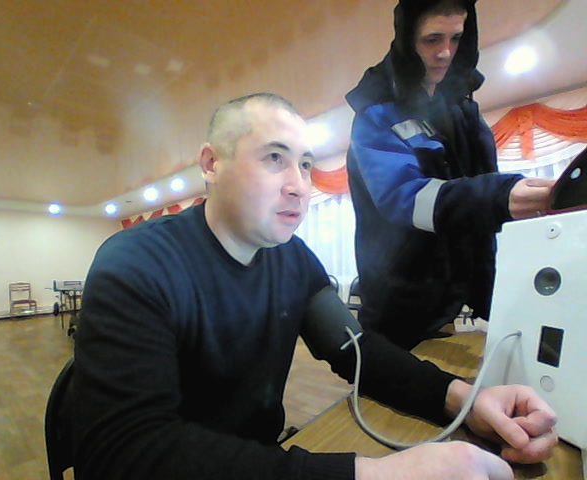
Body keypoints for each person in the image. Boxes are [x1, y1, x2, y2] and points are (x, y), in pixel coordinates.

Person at [72, 93, 557, 480]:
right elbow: (125, 453)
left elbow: (357, 351)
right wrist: (376, 474)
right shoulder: (136, 263)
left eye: (305, 164)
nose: (300, 185)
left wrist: (465, 401)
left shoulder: (291, 258)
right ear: (212, 163)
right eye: (274, 158)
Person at [345, 0, 556, 350]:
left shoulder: (462, 111)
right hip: (402, 302)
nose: (445, 52)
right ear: (407, 41)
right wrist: (500, 196)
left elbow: (480, 191)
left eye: (456, 38)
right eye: (432, 39)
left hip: (466, 292)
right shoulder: (376, 114)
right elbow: (406, 198)